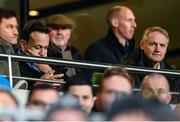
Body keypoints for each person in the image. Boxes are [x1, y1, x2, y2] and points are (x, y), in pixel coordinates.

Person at [84, 5, 137, 80]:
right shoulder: (96, 49)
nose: (135, 25)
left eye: (134, 20)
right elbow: (92, 82)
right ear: (115, 22)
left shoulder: (137, 51)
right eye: (129, 20)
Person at [18, 20, 63, 89]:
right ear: (23, 45)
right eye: (37, 47)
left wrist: (46, 68)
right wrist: (38, 86)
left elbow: (70, 86)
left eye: (45, 48)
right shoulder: (11, 64)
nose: (43, 53)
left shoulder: (54, 59)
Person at [45, 14, 84, 78]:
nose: (59, 32)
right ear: (47, 32)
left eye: (64, 28)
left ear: (70, 32)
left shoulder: (77, 54)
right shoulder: (43, 53)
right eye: (54, 28)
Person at [0, 7, 20, 85]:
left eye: (16, 27)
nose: (16, 32)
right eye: (9, 27)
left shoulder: (9, 48)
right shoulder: (5, 47)